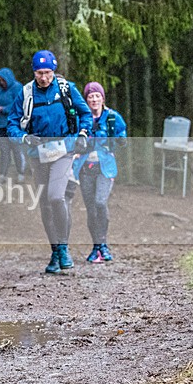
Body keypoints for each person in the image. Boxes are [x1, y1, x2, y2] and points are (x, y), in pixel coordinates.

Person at [6, 50, 92, 274]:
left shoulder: (66, 89)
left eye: (47, 73)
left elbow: (85, 114)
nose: (43, 77)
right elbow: (12, 125)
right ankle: (55, 251)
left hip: (64, 149)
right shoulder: (25, 93)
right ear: (33, 72)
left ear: (54, 71)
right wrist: (25, 138)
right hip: (38, 154)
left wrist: (83, 134)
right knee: (44, 203)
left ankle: (63, 247)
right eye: (39, 73)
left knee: (56, 196)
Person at [73, 81, 127, 263]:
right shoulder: (82, 118)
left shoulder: (112, 117)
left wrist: (120, 140)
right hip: (85, 167)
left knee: (100, 202)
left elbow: (122, 134)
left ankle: (103, 244)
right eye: (90, 96)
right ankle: (96, 246)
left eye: (97, 96)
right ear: (86, 100)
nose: (94, 99)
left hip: (105, 167)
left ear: (103, 98)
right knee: (90, 208)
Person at [0, 68, 26, 183]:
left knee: (17, 149)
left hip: (14, 125)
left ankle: (21, 172)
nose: (2, 82)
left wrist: (4, 109)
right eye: (0, 80)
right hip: (1, 125)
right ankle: (3, 174)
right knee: (4, 151)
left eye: (3, 80)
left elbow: (20, 104)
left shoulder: (17, 88)